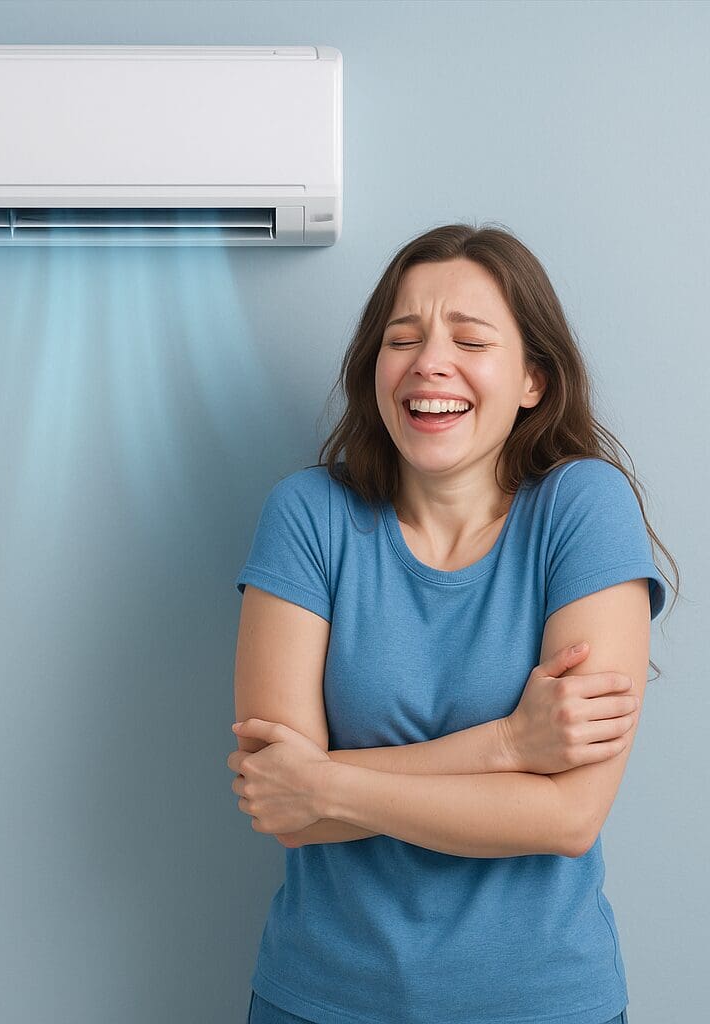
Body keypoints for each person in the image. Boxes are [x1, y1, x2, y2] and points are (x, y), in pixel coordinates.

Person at [230, 224, 678, 1024]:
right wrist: (506, 748)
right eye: (403, 339)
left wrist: (329, 780)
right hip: (320, 1001)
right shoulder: (306, 516)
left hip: (544, 1006)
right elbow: (278, 803)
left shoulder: (584, 508)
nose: (429, 361)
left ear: (533, 379)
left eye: (470, 339)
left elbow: (567, 816)